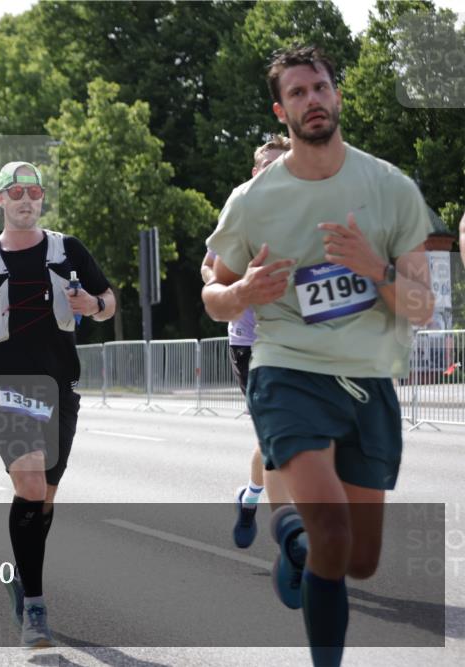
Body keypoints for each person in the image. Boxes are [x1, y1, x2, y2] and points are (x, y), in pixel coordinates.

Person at [204, 46, 434, 667]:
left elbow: (421, 308)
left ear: (337, 96)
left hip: (367, 380)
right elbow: (213, 294)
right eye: (298, 93)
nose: (312, 100)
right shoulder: (252, 201)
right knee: (330, 530)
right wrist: (242, 293)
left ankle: (296, 550)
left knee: (358, 558)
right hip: (286, 372)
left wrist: (375, 269)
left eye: (320, 88)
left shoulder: (391, 189)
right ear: (283, 111)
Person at [0, 161, 114, 648]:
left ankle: (22, 575)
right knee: (32, 483)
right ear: (0, 200)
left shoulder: (68, 249)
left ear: (41, 199)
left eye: (33, 191)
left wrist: (96, 308)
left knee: (45, 498)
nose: (25, 199)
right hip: (5, 385)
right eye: (15, 191)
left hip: (60, 386)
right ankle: (35, 609)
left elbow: (108, 298)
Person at [201, 135, 291, 548]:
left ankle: (251, 497)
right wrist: (231, 292)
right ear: (256, 171)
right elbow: (208, 268)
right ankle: (294, 540)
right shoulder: (240, 212)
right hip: (250, 342)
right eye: (268, 164)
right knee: (278, 437)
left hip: (299, 341)